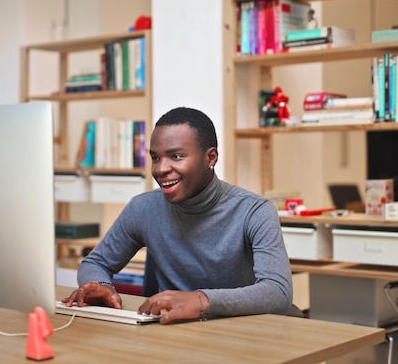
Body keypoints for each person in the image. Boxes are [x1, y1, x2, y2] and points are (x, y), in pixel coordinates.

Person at [62, 107, 293, 324]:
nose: (160, 169)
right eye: (155, 158)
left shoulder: (255, 211)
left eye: (176, 156)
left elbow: (277, 291)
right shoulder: (143, 208)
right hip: (172, 332)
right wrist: (99, 284)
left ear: (211, 158)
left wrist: (200, 300)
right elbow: (97, 262)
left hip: (242, 333)